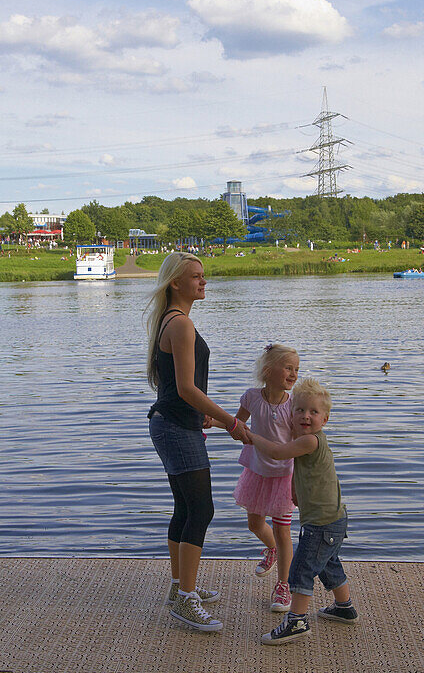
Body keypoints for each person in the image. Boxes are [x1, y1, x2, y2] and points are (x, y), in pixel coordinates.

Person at [145, 251, 249, 633]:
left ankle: (178, 588)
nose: (204, 282)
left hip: (173, 422)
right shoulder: (181, 324)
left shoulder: (172, 321)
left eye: (204, 276)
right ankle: (185, 600)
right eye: (196, 277)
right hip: (174, 427)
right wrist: (231, 422)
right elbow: (187, 388)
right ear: (176, 283)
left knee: (186, 508)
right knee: (201, 510)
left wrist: (203, 415)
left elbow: (177, 388)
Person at [240, 378, 359, 645]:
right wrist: (294, 489)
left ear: (325, 419)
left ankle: (297, 621)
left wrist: (250, 435)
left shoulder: (310, 442)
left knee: (302, 570)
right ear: (291, 415)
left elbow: (278, 452)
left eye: (313, 412)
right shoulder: (307, 441)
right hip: (333, 519)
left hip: (322, 522)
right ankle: (344, 607)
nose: (306, 415)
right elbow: (299, 468)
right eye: (299, 410)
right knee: (329, 564)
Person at [231, 343, 300, 613]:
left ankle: (283, 586)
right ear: (268, 371)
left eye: (297, 369)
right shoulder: (251, 397)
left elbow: (301, 439)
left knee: (283, 531)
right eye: (288, 368)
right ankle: (271, 549)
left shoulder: (295, 404)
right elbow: (238, 425)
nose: (294, 374)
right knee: (254, 524)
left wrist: (301, 480)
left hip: (285, 476)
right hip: (257, 473)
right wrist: (212, 421)